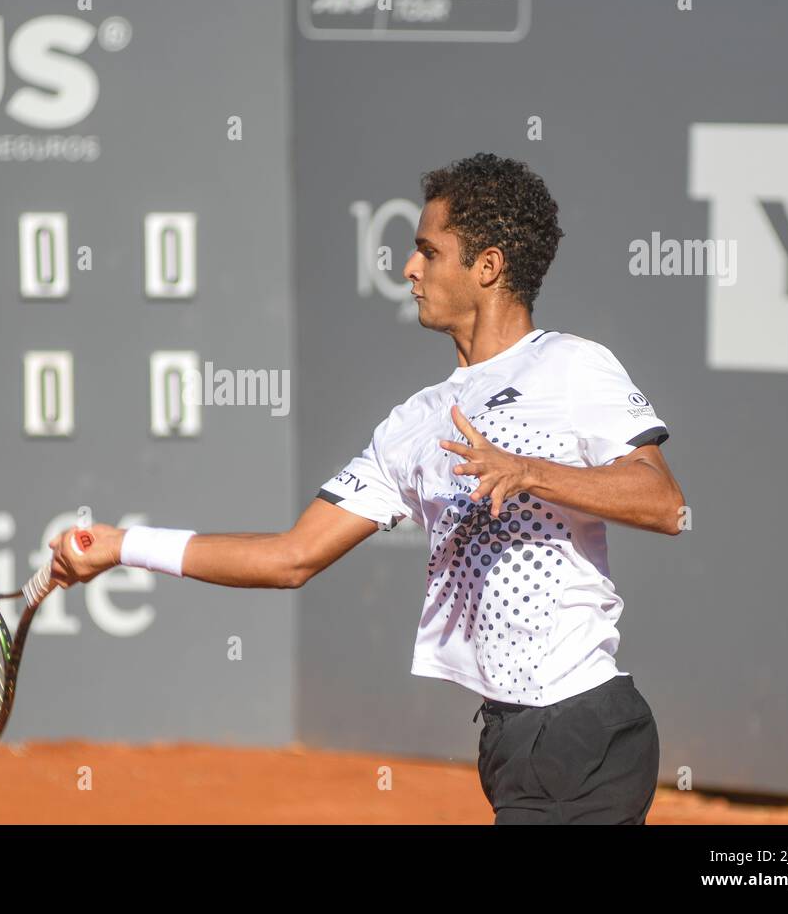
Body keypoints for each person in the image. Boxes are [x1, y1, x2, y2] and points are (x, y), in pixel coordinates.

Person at [48, 152, 685, 825]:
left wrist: (530, 471)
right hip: (509, 740)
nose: (409, 269)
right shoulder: (411, 425)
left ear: (488, 267)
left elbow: (665, 504)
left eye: (428, 252)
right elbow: (290, 558)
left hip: (586, 733)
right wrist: (123, 546)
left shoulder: (571, 367)